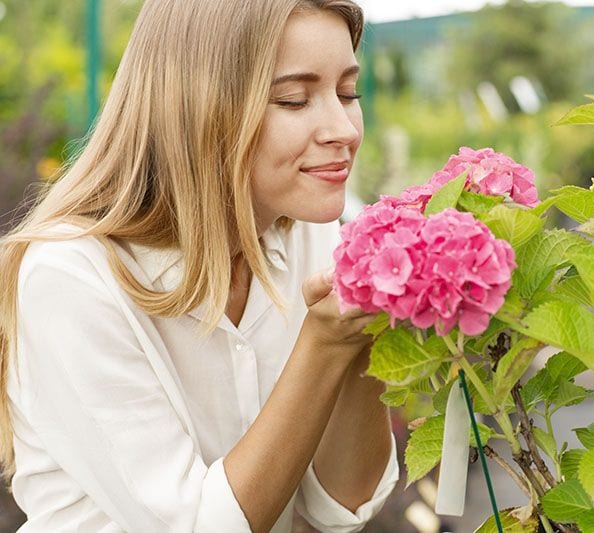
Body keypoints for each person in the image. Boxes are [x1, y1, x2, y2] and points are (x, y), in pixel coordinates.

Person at [0, 1, 399, 531]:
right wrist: (324, 345)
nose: (343, 129)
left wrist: (369, 329)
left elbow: (342, 506)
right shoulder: (71, 274)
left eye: (348, 92)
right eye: (294, 99)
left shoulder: (309, 227)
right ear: (198, 108)